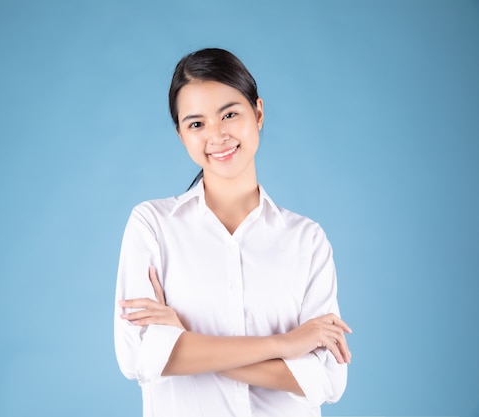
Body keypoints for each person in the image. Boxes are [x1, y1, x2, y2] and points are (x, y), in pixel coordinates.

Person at [114, 48, 351, 417]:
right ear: (181, 135)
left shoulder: (307, 240)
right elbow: (139, 357)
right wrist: (285, 344)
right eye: (196, 124)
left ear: (258, 112)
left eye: (229, 114)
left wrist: (183, 345)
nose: (217, 135)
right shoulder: (152, 226)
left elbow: (325, 382)